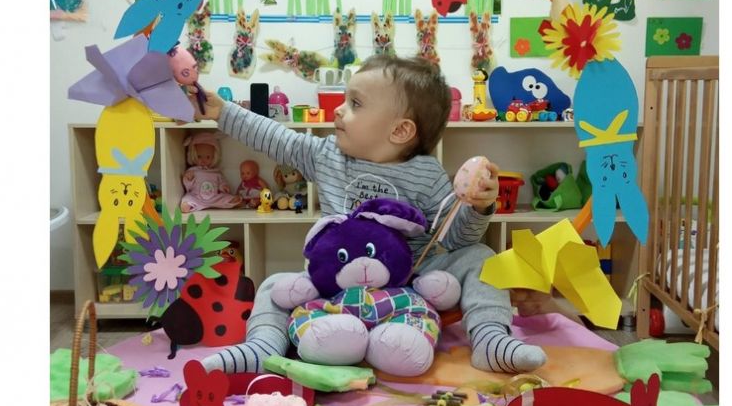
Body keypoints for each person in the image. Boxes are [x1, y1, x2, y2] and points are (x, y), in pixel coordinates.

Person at [198, 54, 546, 375]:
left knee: (481, 256)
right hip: (336, 281)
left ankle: (489, 338)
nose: (338, 110)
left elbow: (456, 239)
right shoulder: (327, 154)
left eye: (355, 103)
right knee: (274, 285)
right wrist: (222, 111)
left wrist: (479, 207)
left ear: (400, 130)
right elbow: (275, 137)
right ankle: (262, 346)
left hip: (411, 279)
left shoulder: (427, 174)